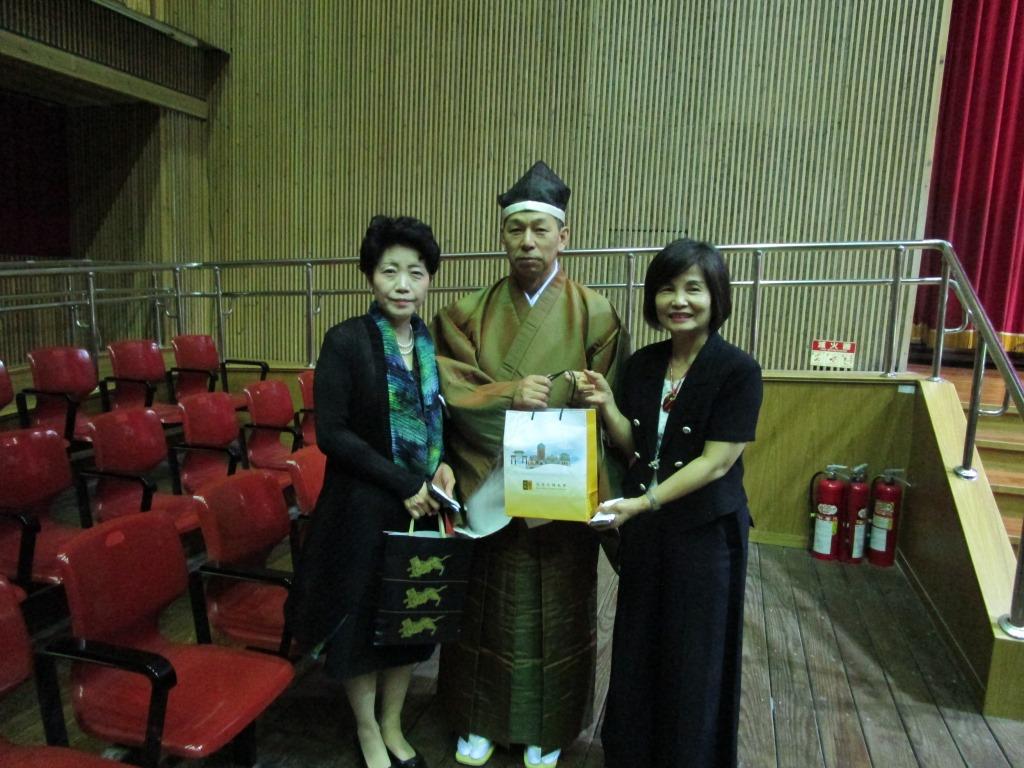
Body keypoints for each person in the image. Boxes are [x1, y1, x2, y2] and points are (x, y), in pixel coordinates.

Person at [431, 161, 624, 768]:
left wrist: (593, 400)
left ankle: (550, 727)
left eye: (541, 230)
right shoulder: (465, 313)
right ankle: (478, 719)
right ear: (503, 237)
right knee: (482, 609)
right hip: (488, 484)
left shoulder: (596, 314)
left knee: (558, 610)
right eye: (516, 230)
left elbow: (609, 405)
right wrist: (506, 396)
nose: (528, 242)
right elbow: (452, 390)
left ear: (563, 236)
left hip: (560, 488)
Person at [574, 238, 763, 767]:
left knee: (694, 653)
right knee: (638, 642)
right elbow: (637, 448)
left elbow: (716, 463)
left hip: (706, 534)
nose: (679, 300)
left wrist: (643, 503)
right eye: (666, 289)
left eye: (693, 289)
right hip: (648, 532)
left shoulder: (737, 369)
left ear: (716, 296)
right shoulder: (642, 364)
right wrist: (608, 406)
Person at [285, 215, 454, 768]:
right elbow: (333, 435)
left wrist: (441, 465)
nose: (403, 284)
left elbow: (433, 423)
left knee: (407, 620)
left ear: (429, 279)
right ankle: (366, 729)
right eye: (389, 271)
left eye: (415, 272)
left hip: (418, 509)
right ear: (370, 276)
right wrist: (406, 482)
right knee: (360, 626)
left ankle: (393, 722)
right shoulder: (346, 341)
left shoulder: (427, 344)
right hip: (359, 509)